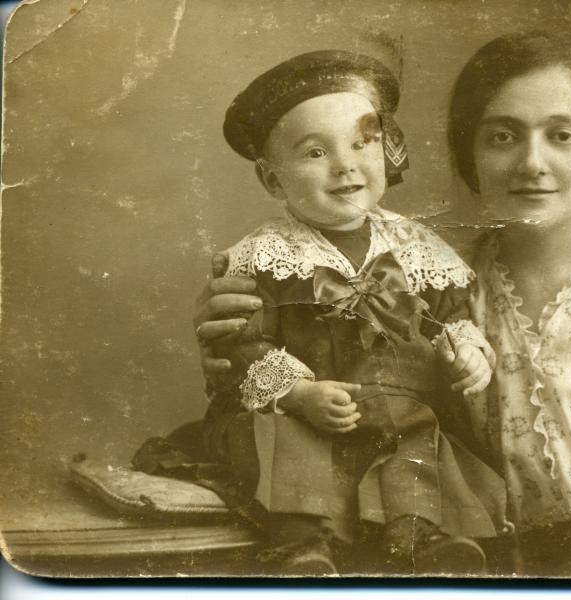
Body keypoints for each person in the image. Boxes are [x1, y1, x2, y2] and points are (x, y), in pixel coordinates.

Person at [195, 32, 571, 578]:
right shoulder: (429, 275)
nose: (532, 164)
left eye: (563, 136)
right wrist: (233, 343)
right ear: (471, 154)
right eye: (502, 136)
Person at [185, 50, 507, 576]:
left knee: (418, 443)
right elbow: (242, 341)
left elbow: (448, 315)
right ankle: (305, 544)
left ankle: (419, 536)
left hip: (398, 409)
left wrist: (465, 349)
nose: (345, 165)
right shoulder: (266, 256)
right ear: (272, 180)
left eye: (363, 143)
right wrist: (298, 393)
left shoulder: (415, 245)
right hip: (306, 410)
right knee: (291, 444)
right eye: (316, 152)